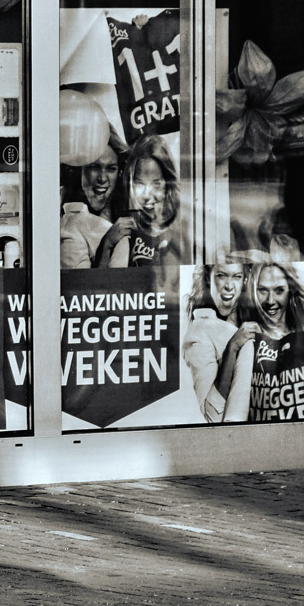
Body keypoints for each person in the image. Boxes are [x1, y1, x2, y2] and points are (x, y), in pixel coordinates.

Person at [217, 256, 304, 422]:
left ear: (291, 291)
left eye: (279, 290)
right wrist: (232, 347)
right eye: (262, 290)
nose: (271, 301)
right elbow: (217, 407)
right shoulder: (244, 337)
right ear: (253, 292)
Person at [95, 134, 181, 267]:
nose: (147, 195)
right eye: (140, 183)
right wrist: (106, 244)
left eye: (156, 184)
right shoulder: (119, 219)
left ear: (168, 183)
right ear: (130, 183)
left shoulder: (182, 223)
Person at [182, 259, 246, 421]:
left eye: (237, 276)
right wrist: (232, 349)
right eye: (221, 276)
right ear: (207, 279)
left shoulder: (260, 315)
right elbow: (211, 416)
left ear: (245, 280)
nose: (229, 286)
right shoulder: (199, 332)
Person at [60, 128, 125, 269]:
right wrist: (106, 244)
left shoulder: (127, 210)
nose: (102, 178)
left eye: (111, 168)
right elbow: (81, 289)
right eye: (94, 167)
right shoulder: (73, 225)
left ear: (120, 172)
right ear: (80, 170)